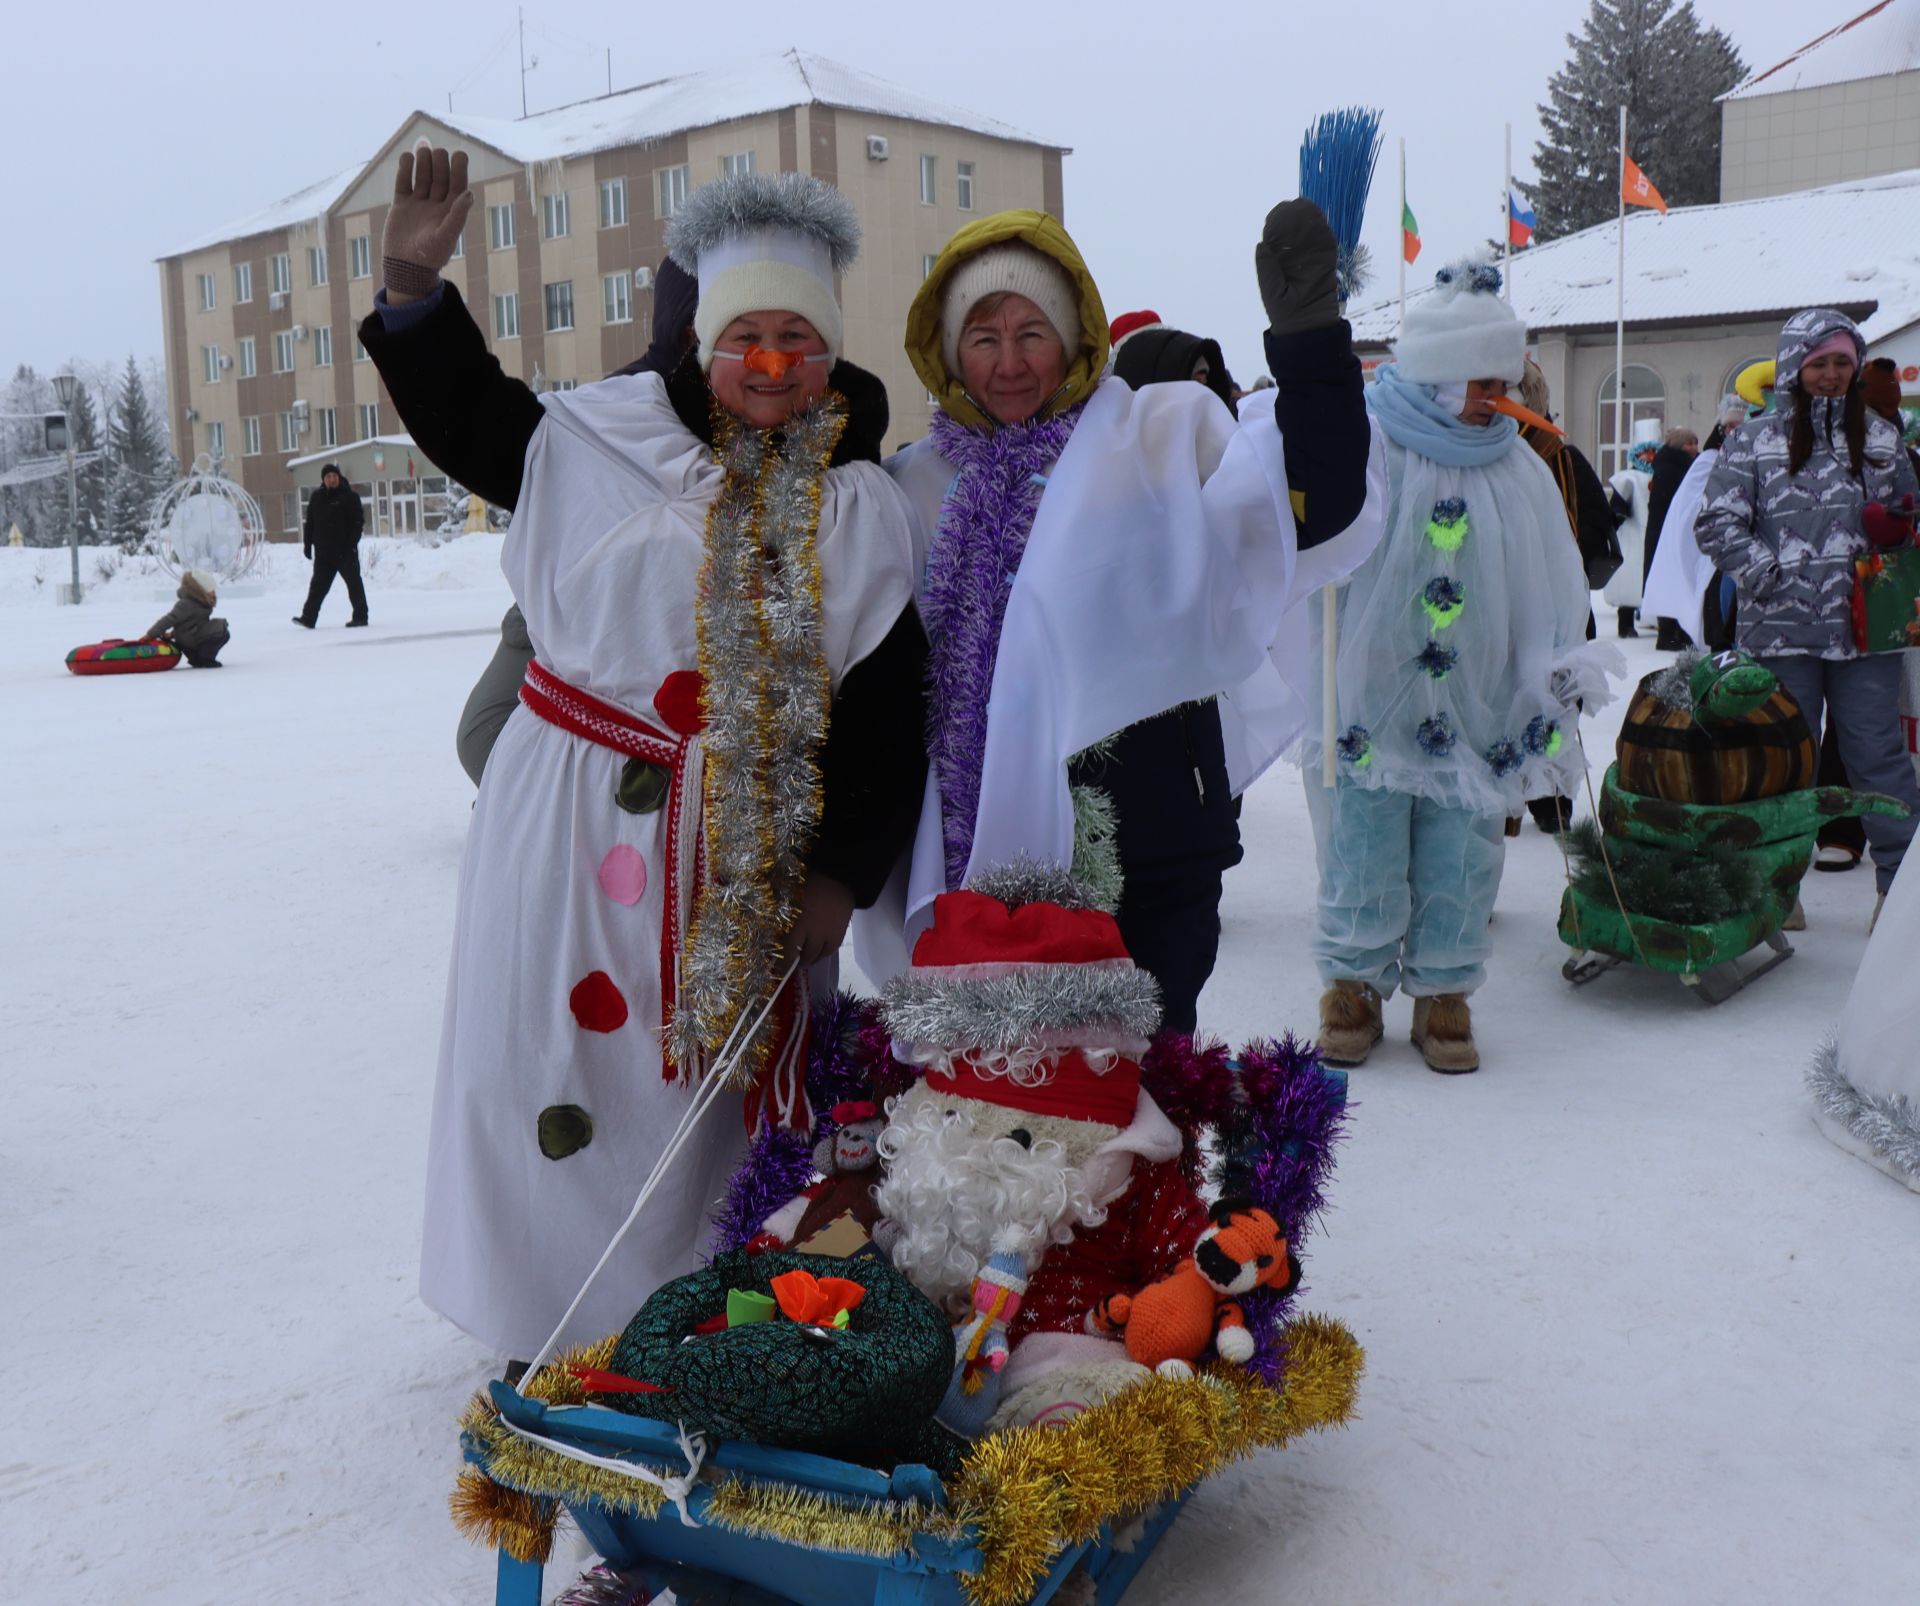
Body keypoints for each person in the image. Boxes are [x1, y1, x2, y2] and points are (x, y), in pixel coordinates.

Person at [363, 143, 928, 1359]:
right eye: (744, 338)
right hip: (568, 832)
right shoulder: (588, 443)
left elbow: (888, 704)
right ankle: (540, 1312)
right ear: (701, 344)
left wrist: (839, 873)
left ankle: (690, 1322)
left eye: (800, 337)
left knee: (708, 1098)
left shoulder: (859, 507)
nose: (769, 365)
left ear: (832, 351)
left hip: (746, 849)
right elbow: (467, 413)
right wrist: (412, 294)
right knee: (547, 1068)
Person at [859, 201, 1387, 1034]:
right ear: (949, 350)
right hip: (975, 871)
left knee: (1143, 1108)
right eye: (983, 336)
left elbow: (1311, 505)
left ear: (1074, 338)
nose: (1008, 362)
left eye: (1031, 331)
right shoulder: (910, 488)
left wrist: (1313, 344)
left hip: (1151, 850)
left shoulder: (1155, 440)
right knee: (997, 1127)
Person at [1306, 262, 1609, 1074]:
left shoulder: (1516, 464)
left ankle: (1444, 991)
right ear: (1438, 372)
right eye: (1482, 380)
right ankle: (1353, 985)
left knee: (1465, 843)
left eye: (1504, 380)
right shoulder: (1372, 445)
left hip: (1475, 696)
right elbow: (1318, 538)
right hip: (1374, 687)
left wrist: (1553, 663)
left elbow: (1551, 573)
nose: (1495, 397)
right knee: (1365, 839)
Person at [1695, 307, 1920, 923]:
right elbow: (1715, 523)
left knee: (1878, 755)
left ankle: (1900, 891)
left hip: (1864, 634)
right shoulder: (1752, 440)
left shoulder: (1879, 436)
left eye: (1842, 363)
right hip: (1780, 631)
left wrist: (1898, 529)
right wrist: (1769, 574)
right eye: (1819, 363)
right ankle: (1777, 885)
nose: (1830, 375)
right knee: (1784, 760)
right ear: (1795, 364)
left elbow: (1908, 518)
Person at [454, 256, 700, 786]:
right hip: (564, 596)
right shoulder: (618, 398)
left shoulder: (753, 397)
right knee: (482, 735)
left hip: (675, 624)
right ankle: (537, 805)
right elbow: (508, 450)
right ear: (681, 323)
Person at [1076, 319, 1246, 1032]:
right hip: (1079, 834)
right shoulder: (1082, 510)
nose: (1198, 408)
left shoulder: (1221, 504)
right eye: (1184, 387)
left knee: (1167, 1036)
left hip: (1180, 831)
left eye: (1212, 386)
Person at [1515, 357, 1617, 833]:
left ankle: (1525, 800)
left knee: (1531, 697)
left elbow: (1595, 527)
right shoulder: (1562, 455)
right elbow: (1599, 530)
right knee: (1553, 699)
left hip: (1532, 609)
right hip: (1561, 610)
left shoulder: (1553, 459)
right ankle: (1550, 801)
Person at [1642, 393, 1750, 651]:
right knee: (1712, 601)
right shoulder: (1706, 460)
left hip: (1736, 546)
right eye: (1730, 425)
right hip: (1710, 544)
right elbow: (1688, 505)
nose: (1735, 431)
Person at [1643, 426, 1700, 650]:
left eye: (1695, 442)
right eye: (1689, 443)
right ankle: (1669, 634)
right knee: (1673, 578)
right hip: (1669, 533)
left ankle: (1674, 633)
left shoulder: (1674, 464)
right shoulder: (1673, 467)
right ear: (1678, 446)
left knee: (1673, 579)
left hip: (1666, 532)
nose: (1694, 447)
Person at [294, 464, 367, 628]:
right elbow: (310, 523)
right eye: (328, 477)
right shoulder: (316, 498)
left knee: (354, 584)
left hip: (345, 551)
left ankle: (361, 616)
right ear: (323, 480)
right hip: (324, 553)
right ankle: (308, 618)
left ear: (339, 478)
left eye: (334, 476)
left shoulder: (350, 497)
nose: (331, 479)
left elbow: (358, 522)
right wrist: (307, 545)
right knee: (317, 587)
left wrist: (351, 544)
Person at [1605, 422, 1660, 638]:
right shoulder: (1628, 478)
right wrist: (1618, 513)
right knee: (1629, 580)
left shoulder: (1661, 476)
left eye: (1653, 452)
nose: (1649, 457)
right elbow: (1617, 503)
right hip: (1633, 536)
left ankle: (1655, 619)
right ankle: (1625, 622)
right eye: (1645, 453)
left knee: (1653, 578)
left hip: (1653, 534)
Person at [143, 568, 229, 667]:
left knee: (224, 633)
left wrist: (171, 635)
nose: (214, 593)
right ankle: (204, 659)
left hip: (191, 638)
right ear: (200, 590)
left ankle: (197, 658)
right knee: (220, 629)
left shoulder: (201, 602)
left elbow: (190, 625)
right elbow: (169, 619)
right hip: (188, 641)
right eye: (211, 590)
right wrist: (150, 634)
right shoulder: (186, 604)